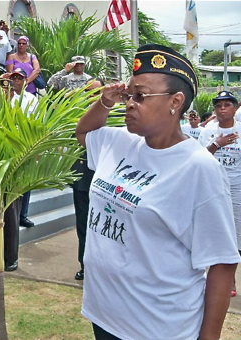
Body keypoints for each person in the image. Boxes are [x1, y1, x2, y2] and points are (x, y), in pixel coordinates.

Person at [76, 43, 240, 339]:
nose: (128, 104)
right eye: (128, 95)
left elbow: (222, 262)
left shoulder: (198, 167)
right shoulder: (119, 141)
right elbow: (83, 133)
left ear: (175, 102)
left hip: (157, 327)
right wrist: (104, 101)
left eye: (140, 96)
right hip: (104, 315)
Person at [0, 69, 38, 272]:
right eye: (11, 79)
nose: (13, 82)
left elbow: (33, 125)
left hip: (16, 157)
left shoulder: (29, 100)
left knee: (12, 208)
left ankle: (11, 257)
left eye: (18, 79)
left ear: (24, 81)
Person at [198, 91, 241, 296]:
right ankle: (220, 279)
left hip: (237, 188)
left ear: (235, 108)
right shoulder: (208, 131)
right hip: (213, 187)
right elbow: (197, 158)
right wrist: (217, 144)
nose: (222, 108)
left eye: (227, 104)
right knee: (214, 231)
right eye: (219, 105)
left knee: (237, 234)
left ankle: (230, 278)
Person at [71, 78, 102, 281]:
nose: (93, 97)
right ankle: (84, 264)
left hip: (102, 180)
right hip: (82, 178)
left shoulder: (114, 115)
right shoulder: (76, 113)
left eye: (96, 93)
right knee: (83, 225)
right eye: (89, 93)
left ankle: (100, 266)